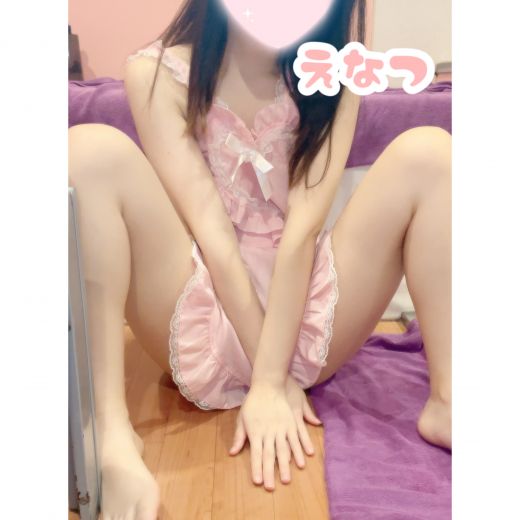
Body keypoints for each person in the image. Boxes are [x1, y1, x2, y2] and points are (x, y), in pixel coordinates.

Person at [68, 0, 451, 518]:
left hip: (308, 318)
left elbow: (302, 233)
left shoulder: (336, 75)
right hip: (201, 307)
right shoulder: (156, 73)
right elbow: (214, 237)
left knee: (432, 152)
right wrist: (268, 383)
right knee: (87, 149)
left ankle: (450, 400)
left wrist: (272, 378)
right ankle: (110, 435)